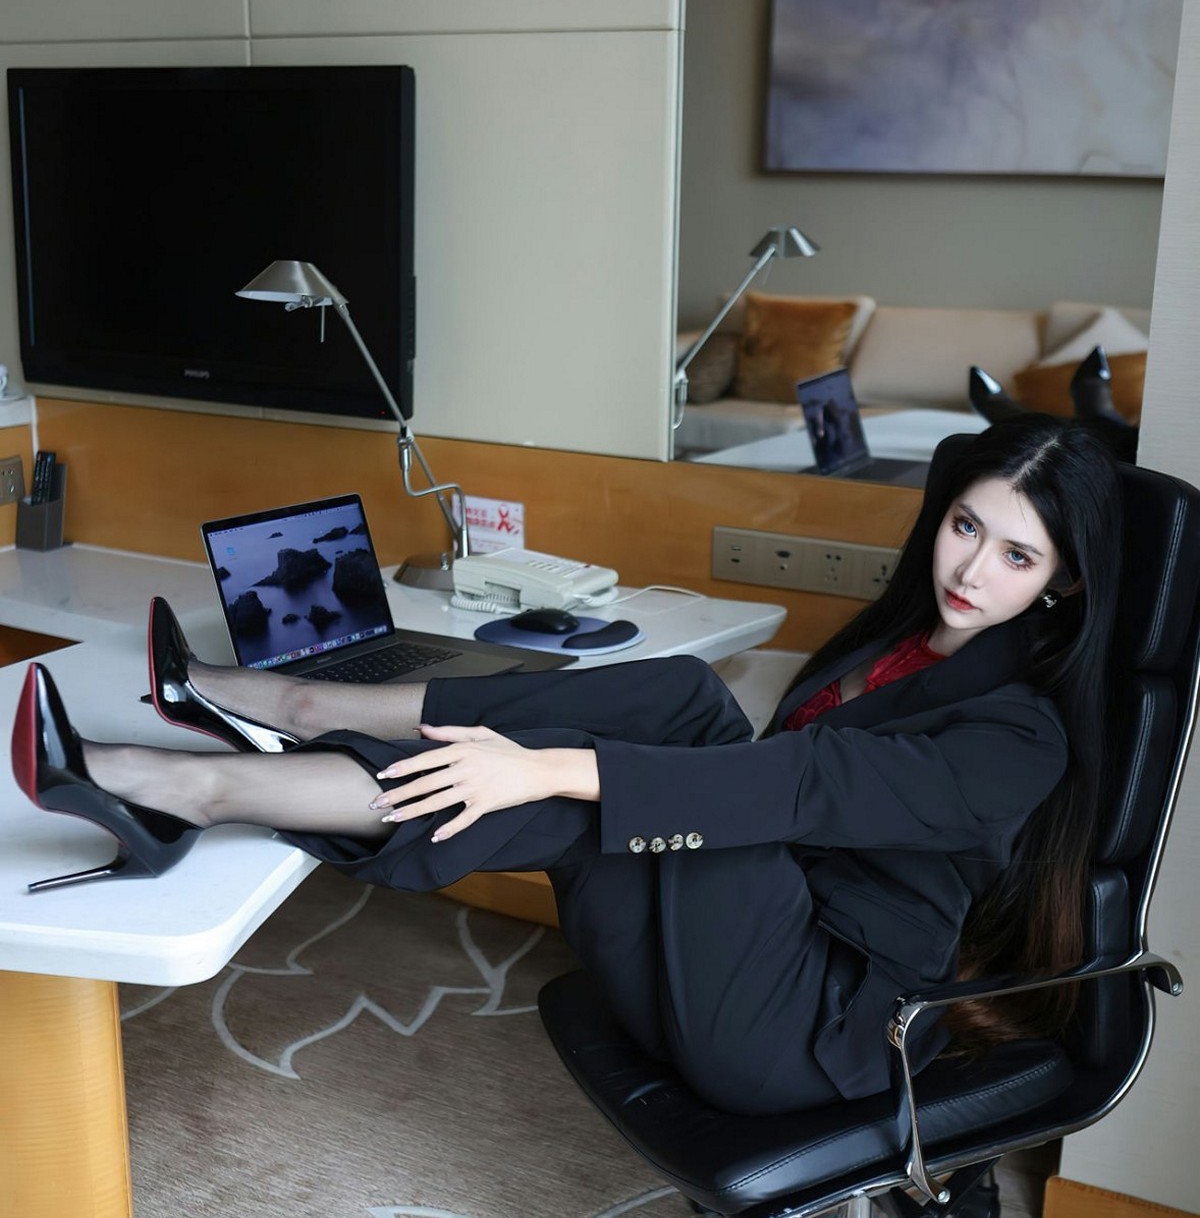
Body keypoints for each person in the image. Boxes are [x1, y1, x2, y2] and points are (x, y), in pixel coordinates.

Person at [12, 416, 1122, 1117]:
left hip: (799, 1025)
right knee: (679, 697)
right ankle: (284, 717)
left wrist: (547, 770)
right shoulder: (903, 641)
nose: (972, 569)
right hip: (725, 956)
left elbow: (803, 785)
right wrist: (554, 770)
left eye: (1017, 555)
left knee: (615, 764)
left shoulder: (1022, 736)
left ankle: (202, 782)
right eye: (965, 527)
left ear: (1062, 583)